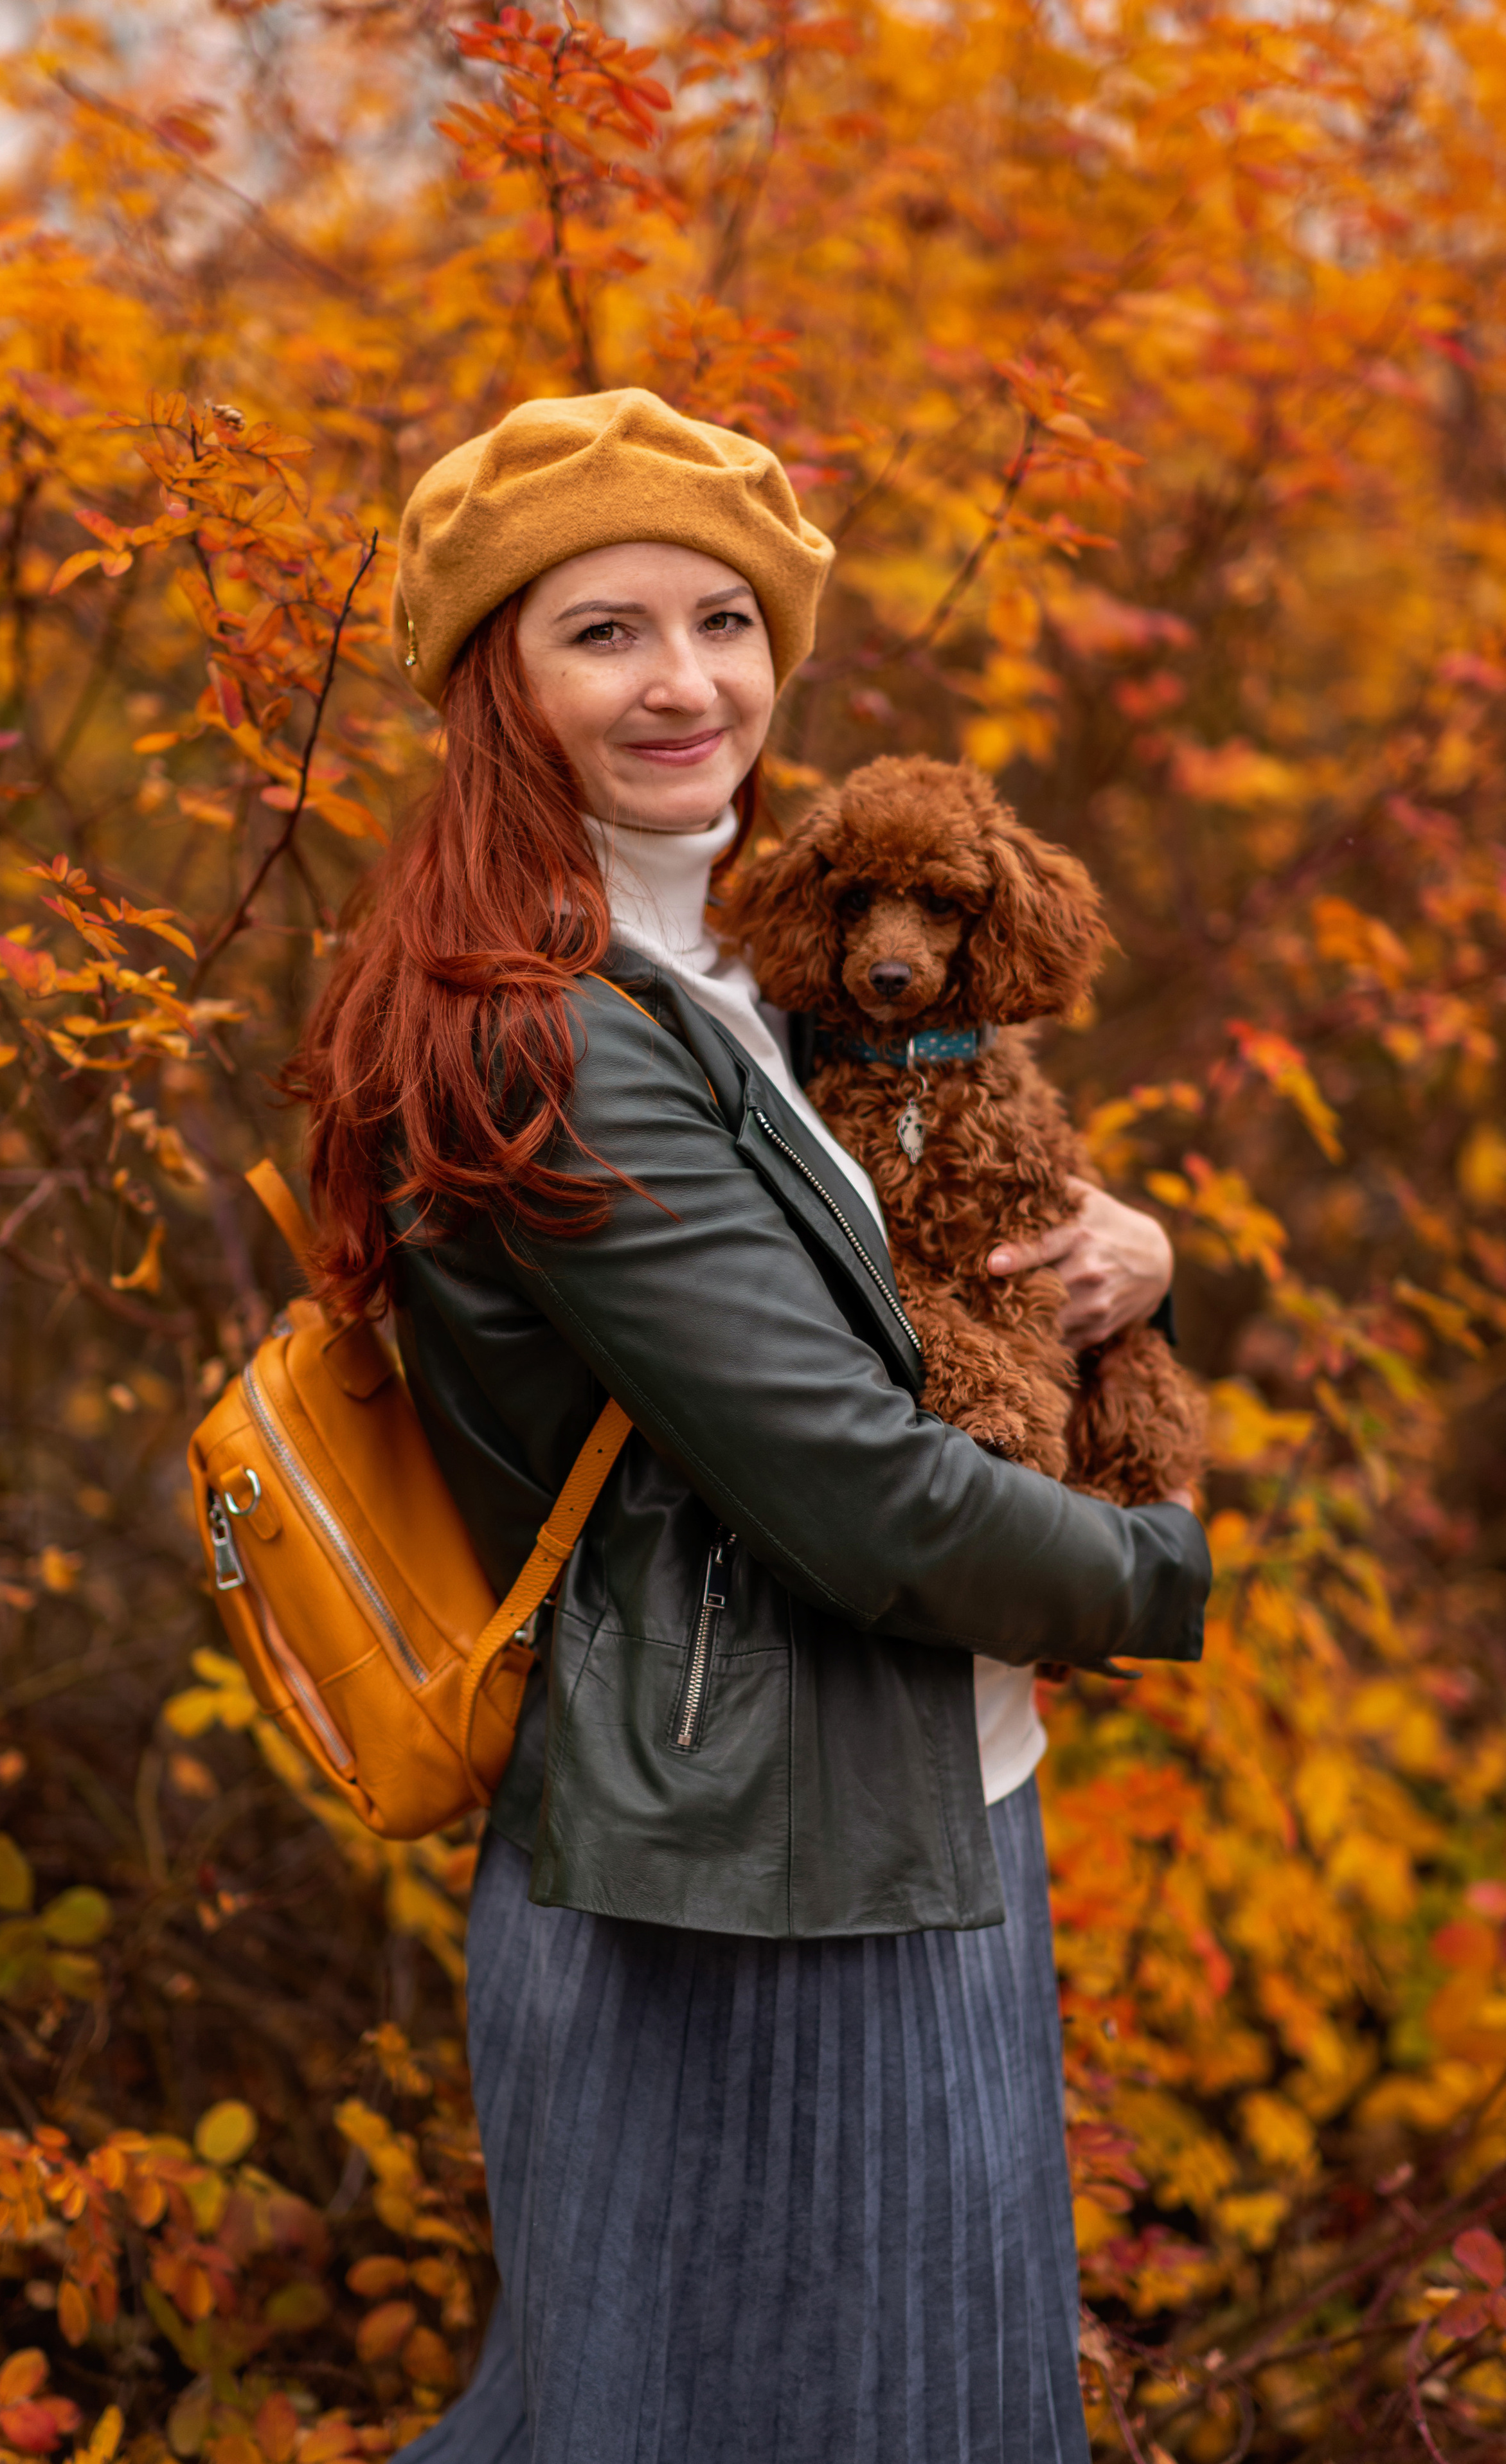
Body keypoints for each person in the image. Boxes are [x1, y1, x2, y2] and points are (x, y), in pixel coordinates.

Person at [291, 390, 1210, 2464]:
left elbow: (952, 1270)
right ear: (490, 681)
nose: (683, 679)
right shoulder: (537, 1023)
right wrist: (1164, 1568)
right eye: (600, 628)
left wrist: (1135, 1279)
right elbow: (851, 1479)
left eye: (724, 616)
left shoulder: (763, 963)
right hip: (739, 1888)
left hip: (906, 1805)